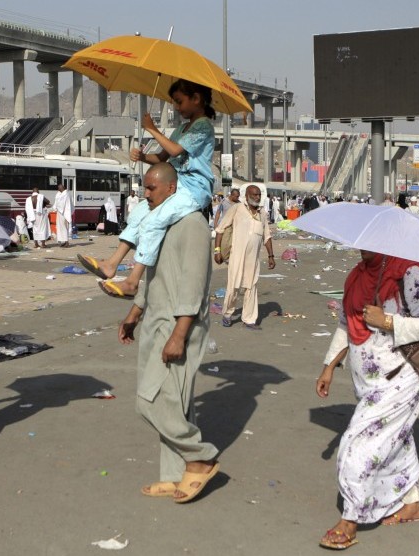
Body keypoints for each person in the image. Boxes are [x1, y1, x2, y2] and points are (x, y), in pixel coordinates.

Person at [315, 250, 419, 550]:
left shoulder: (408, 272)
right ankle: (411, 505)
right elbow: (347, 324)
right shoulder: (358, 276)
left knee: (356, 445)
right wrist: (329, 367)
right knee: (398, 440)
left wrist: (387, 321)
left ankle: (350, 519)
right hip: (368, 383)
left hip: (400, 379)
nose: (364, 248)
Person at [118, 163, 219, 503]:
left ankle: (200, 455)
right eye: (144, 188)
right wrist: (134, 312)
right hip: (156, 320)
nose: (145, 195)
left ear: (172, 188)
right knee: (176, 401)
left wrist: (180, 334)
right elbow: (153, 275)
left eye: (151, 189)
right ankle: (176, 475)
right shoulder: (163, 222)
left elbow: (193, 283)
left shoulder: (193, 225)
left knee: (151, 401)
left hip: (179, 325)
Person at [78, 79, 215, 299]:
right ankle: (111, 264)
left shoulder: (203, 125)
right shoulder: (181, 128)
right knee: (140, 213)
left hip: (194, 189)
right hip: (176, 185)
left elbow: (176, 150)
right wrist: (143, 157)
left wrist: (152, 129)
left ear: (197, 99)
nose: (177, 108)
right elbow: (162, 157)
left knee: (154, 221)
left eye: (179, 102)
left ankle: (132, 281)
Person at [213, 184, 275, 330]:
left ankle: (249, 319)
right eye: (254, 195)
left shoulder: (262, 213)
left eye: (259, 195)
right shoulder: (237, 209)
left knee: (251, 286)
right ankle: (227, 314)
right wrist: (217, 251)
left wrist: (271, 256)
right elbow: (220, 229)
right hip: (236, 256)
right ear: (246, 196)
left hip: (253, 259)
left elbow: (267, 236)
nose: (257, 197)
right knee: (233, 287)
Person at [52, 182, 72, 247]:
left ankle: (67, 242)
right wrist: (54, 207)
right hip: (60, 213)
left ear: (62, 188)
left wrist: (56, 207)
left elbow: (61, 204)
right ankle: (62, 241)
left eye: (59, 188)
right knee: (60, 227)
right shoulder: (59, 194)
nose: (58, 189)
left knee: (64, 227)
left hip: (64, 214)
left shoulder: (66, 194)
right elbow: (57, 202)